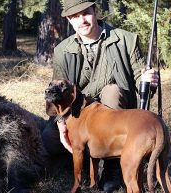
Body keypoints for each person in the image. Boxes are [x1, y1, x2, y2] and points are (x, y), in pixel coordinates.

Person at [41, 0, 159, 192]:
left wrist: (147, 80)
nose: (82, 20)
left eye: (86, 13)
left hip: (114, 112)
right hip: (79, 114)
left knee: (112, 92)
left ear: (95, 12)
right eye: (75, 17)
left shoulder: (126, 39)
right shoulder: (62, 50)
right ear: (70, 21)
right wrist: (61, 122)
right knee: (49, 140)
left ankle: (113, 168)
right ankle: (83, 160)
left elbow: (140, 77)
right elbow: (56, 91)